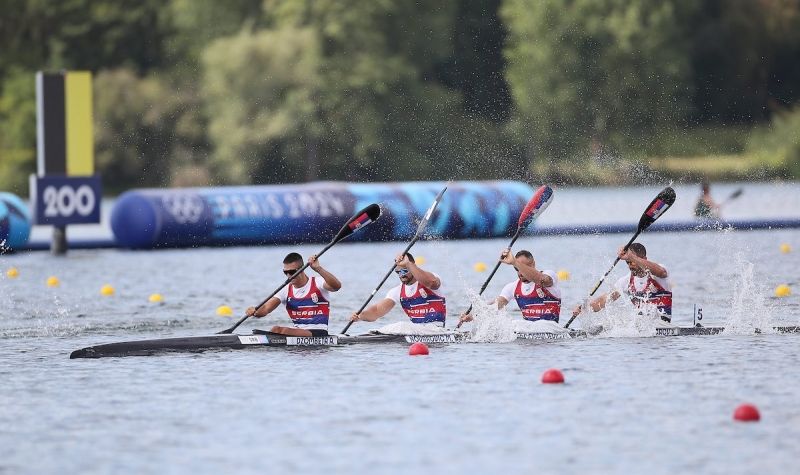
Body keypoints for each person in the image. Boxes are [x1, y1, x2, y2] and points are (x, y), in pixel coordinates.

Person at [246, 252, 342, 336]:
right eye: (285, 272)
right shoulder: (285, 289)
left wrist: (318, 269)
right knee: (276, 330)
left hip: (319, 332)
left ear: (302, 269)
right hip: (297, 332)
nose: (288, 275)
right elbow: (266, 309)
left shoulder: (318, 282)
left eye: (292, 272)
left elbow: (336, 286)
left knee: (280, 330)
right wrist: (255, 311)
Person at [571, 243, 672, 322]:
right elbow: (605, 299)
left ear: (644, 259)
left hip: (662, 325)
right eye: (628, 262)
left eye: (633, 262)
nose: (630, 265)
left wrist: (632, 257)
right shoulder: (626, 281)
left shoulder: (658, 274)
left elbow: (661, 271)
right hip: (642, 331)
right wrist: (584, 308)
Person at [458, 249, 561, 326]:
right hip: (528, 331)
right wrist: (472, 315)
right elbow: (495, 306)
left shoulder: (549, 275)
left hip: (551, 329)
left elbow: (540, 280)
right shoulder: (513, 287)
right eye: (516, 268)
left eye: (523, 267)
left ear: (533, 264)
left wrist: (516, 262)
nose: (520, 272)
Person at [349, 253, 446, 328]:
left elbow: (431, 283)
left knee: (400, 326)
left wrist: (408, 263)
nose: (401, 275)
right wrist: (361, 316)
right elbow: (376, 311)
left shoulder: (432, 277)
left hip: (436, 330)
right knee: (392, 327)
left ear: (412, 266)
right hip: (416, 332)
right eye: (398, 272)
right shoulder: (397, 291)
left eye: (404, 270)